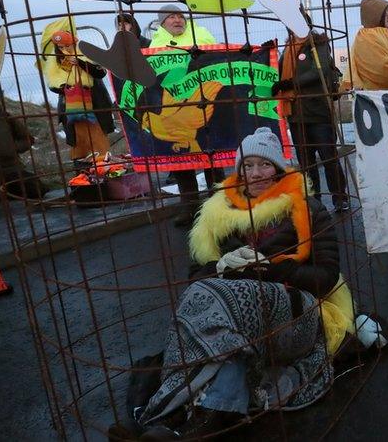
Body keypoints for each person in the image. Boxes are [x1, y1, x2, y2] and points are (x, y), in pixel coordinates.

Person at [138, 127, 342, 439]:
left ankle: (190, 411)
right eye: (248, 165)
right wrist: (219, 266)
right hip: (237, 320)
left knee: (239, 297)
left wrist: (270, 269)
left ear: (278, 168)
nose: (256, 174)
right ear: (239, 169)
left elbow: (326, 279)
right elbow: (196, 280)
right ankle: (201, 413)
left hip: (298, 315)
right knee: (205, 296)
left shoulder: (307, 208)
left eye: (265, 164)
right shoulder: (217, 213)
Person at [146, 4, 223, 226]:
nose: (178, 20)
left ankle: (219, 205)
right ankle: (189, 207)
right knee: (181, 163)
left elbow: (218, 58)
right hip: (173, 108)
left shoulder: (202, 34)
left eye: (180, 16)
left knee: (212, 157)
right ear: (162, 22)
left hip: (204, 102)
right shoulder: (155, 44)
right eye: (172, 17)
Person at [272, 19, 349, 212]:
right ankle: (314, 201)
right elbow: (276, 72)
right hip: (296, 114)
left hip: (318, 111)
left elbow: (320, 70)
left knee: (328, 157)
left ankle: (340, 197)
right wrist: (268, 54)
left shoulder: (318, 43)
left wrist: (291, 83)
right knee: (306, 162)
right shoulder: (287, 48)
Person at [38, 27, 114, 160]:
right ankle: (82, 170)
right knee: (79, 143)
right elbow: (52, 83)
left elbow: (100, 72)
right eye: (60, 47)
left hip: (93, 105)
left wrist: (79, 62)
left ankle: (104, 166)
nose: (64, 49)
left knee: (98, 140)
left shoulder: (86, 54)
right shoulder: (54, 61)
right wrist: (65, 88)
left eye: (67, 46)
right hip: (72, 107)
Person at [351, 0, 388, 90]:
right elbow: (382, 70)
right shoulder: (368, 36)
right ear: (375, 14)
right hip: (374, 95)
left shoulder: (382, 33)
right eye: (385, 12)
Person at [148, 4, 216, 48]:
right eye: (172, 17)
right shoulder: (156, 43)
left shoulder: (201, 33)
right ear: (163, 24)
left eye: (181, 17)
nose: (177, 20)